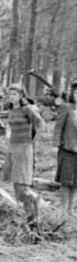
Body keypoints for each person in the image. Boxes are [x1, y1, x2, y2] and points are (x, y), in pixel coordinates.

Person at [2, 84, 46, 225]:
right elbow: (9, 124)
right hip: (12, 147)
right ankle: (28, 217)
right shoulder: (11, 109)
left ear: (21, 96)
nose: (11, 97)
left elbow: (41, 124)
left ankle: (36, 204)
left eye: (14, 94)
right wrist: (8, 134)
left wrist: (33, 141)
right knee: (16, 183)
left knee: (22, 184)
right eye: (10, 94)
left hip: (24, 147)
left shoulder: (27, 109)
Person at [54, 79, 77, 217]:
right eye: (76, 93)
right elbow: (58, 127)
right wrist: (56, 145)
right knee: (66, 181)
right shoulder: (66, 107)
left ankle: (71, 209)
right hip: (67, 149)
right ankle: (63, 210)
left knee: (75, 182)